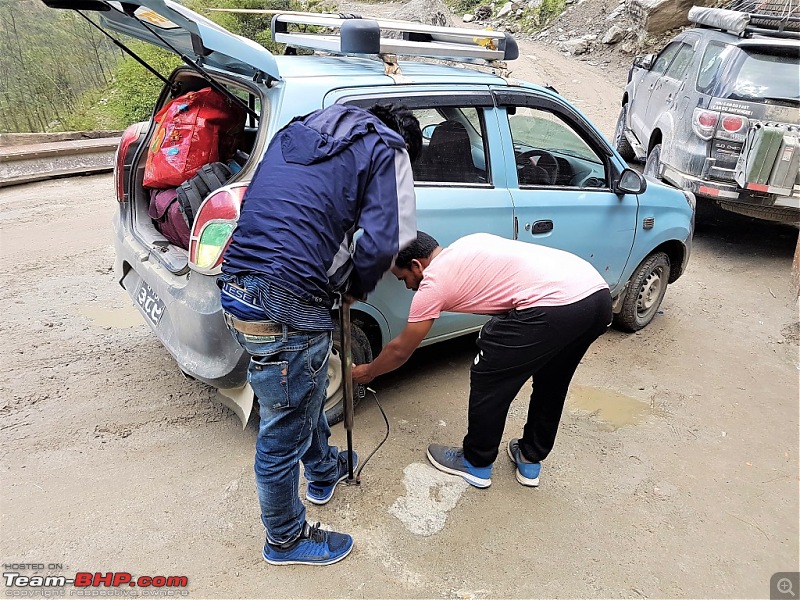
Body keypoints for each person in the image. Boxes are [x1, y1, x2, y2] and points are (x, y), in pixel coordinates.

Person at [218, 103, 421, 566]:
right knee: (282, 431)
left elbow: (261, 209)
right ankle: (285, 540)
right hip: (286, 303)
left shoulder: (298, 130)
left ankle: (324, 470)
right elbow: (387, 239)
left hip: (237, 286)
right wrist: (352, 288)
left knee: (302, 396)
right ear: (405, 143)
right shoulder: (388, 150)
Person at [352, 231, 612, 489]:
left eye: (403, 278)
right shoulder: (467, 243)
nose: (408, 286)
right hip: (596, 297)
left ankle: (476, 462)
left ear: (416, 265)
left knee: (489, 374)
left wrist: (369, 371)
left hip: (552, 306)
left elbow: (401, 350)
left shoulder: (434, 283)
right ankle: (530, 458)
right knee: (553, 380)